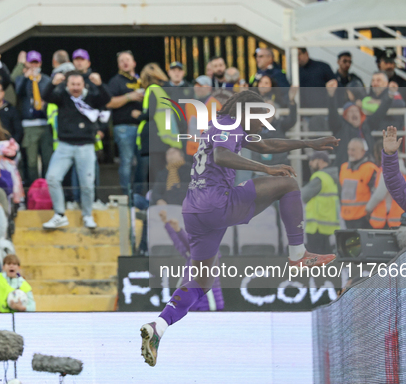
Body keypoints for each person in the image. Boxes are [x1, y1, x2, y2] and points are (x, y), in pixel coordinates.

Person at [139, 90, 339, 367]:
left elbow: (267, 145)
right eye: (263, 118)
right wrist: (265, 170)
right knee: (289, 184)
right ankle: (297, 255)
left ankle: (158, 326)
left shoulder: (224, 124)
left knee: (200, 282)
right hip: (216, 203)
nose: (264, 124)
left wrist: (309, 142)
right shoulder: (228, 126)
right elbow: (221, 156)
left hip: (195, 211)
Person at [41, 71, 110, 229]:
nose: (76, 88)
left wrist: (99, 84)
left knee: (87, 184)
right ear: (67, 85)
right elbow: (45, 96)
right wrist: (53, 83)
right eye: (72, 84)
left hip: (85, 146)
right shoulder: (62, 97)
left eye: (78, 84)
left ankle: (87, 215)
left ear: (83, 85)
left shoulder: (90, 97)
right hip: (64, 145)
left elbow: (106, 99)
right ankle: (59, 214)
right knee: (52, 177)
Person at [159, 210, 223, 312]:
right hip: (191, 298)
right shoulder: (192, 254)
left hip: (207, 301)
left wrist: (178, 230)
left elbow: (188, 243)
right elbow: (179, 243)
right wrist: (167, 224)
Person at [326, 78, 395, 168]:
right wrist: (331, 95)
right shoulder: (340, 127)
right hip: (347, 170)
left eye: (357, 111)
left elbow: (380, 113)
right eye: (351, 111)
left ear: (361, 114)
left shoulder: (367, 125)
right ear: (345, 116)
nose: (354, 113)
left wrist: (390, 95)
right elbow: (333, 114)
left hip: (367, 168)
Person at [135, 63, 183, 185]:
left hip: (155, 137)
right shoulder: (162, 91)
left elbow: (151, 113)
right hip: (164, 138)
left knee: (154, 173)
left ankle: (155, 200)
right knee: (162, 172)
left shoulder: (152, 90)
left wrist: (137, 115)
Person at [106, 50, 145, 194]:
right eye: (121, 60)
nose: (125, 62)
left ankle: (139, 195)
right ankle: (127, 195)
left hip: (142, 126)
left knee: (142, 163)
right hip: (124, 127)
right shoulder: (115, 81)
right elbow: (109, 103)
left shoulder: (141, 80)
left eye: (127, 59)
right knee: (127, 161)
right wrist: (129, 97)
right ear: (118, 65)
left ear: (134, 63)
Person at [15, 50, 52, 184]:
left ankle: (47, 189)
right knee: (31, 161)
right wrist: (26, 78)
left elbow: (52, 96)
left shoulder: (46, 79)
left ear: (40, 63)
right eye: (31, 62)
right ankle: (34, 189)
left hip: (44, 123)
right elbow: (18, 93)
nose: (34, 66)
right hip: (29, 124)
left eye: (36, 62)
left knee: (47, 158)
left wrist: (45, 104)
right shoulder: (22, 79)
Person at [302, 151, 340, 255]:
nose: (310, 164)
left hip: (316, 227)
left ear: (322, 162)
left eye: (313, 160)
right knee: (326, 259)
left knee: (314, 260)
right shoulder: (332, 177)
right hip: (329, 225)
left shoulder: (320, 177)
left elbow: (304, 196)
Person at [339, 138, 378, 229]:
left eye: (353, 150)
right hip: (346, 216)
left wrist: (369, 211)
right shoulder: (344, 167)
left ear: (363, 151)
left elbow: (375, 194)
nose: (350, 152)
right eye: (349, 149)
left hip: (363, 218)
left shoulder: (370, 168)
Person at [366, 140, 406, 229]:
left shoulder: (387, 170)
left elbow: (380, 194)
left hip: (387, 219)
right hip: (399, 217)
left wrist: (368, 208)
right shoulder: (401, 169)